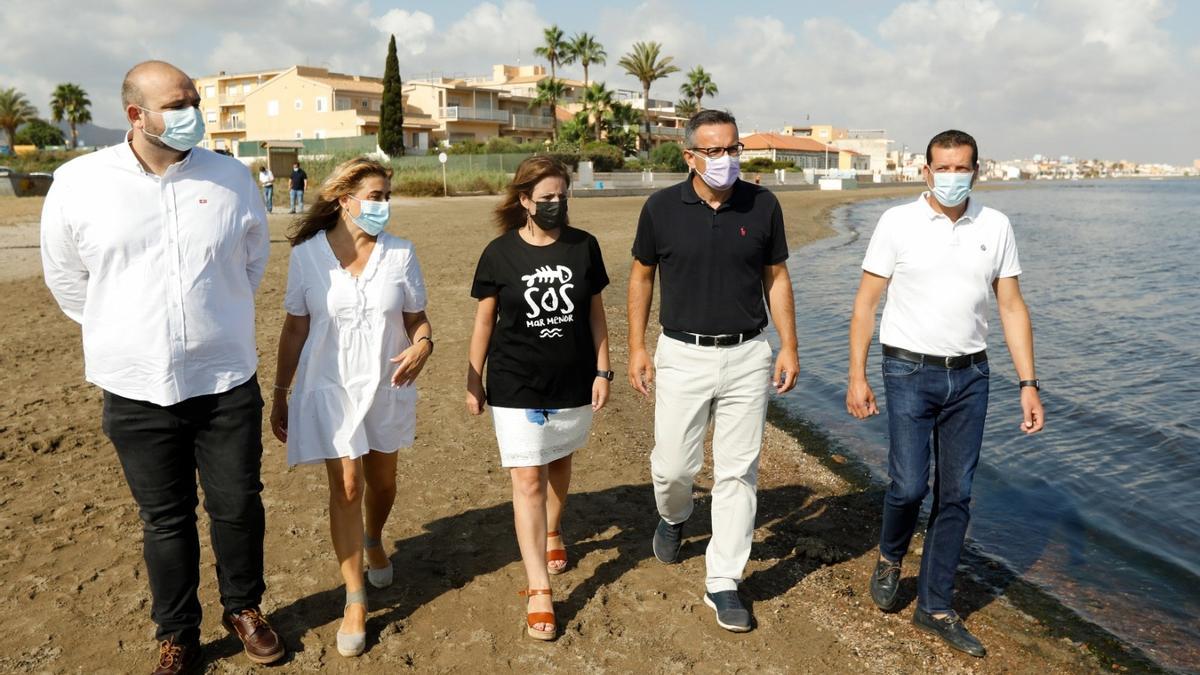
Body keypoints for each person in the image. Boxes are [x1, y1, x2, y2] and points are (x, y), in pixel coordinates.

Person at [40, 60, 284, 674]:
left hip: (226, 379)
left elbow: (250, 263)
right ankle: (177, 634)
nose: (192, 112)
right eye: (178, 104)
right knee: (164, 518)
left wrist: (210, 320)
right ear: (135, 115)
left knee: (237, 504)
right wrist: (127, 334)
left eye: (194, 100)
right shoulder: (78, 182)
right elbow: (69, 281)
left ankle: (244, 608)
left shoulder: (233, 178)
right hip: (134, 386)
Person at [846, 129, 1045, 658]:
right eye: (943, 167)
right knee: (909, 487)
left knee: (955, 494)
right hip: (907, 371)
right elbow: (866, 304)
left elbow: (1011, 307)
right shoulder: (897, 223)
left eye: (963, 168)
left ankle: (934, 605)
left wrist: (1028, 383)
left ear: (976, 170)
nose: (953, 176)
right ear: (926, 170)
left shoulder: (996, 226)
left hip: (972, 376)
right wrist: (856, 375)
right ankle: (890, 555)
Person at [627, 109, 799, 633]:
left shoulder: (763, 205)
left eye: (733, 149)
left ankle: (723, 581)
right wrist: (636, 347)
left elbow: (777, 278)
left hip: (749, 353)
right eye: (715, 151)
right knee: (674, 467)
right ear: (690, 157)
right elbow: (640, 278)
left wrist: (788, 345)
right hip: (681, 353)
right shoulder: (660, 208)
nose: (726, 160)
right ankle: (675, 516)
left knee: (737, 471)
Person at [270, 157, 432, 657]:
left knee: (382, 483)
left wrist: (424, 345)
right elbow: (296, 328)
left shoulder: (401, 254)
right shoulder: (306, 256)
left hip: (386, 385)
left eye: (387, 196)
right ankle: (355, 598)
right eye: (376, 196)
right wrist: (280, 392)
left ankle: (374, 537)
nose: (384, 205)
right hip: (330, 387)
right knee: (345, 484)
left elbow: (417, 321)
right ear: (346, 200)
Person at [466, 156, 611, 641]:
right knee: (528, 478)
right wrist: (473, 378)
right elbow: (485, 321)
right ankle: (539, 589)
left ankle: (553, 529)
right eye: (546, 198)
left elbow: (595, 314)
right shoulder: (498, 254)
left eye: (561, 197)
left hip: (571, 378)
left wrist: (603, 369)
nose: (555, 205)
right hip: (514, 383)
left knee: (560, 462)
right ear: (524, 201)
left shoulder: (584, 247)